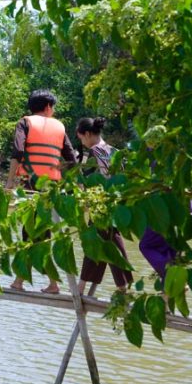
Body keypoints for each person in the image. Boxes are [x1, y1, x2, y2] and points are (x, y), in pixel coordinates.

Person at [4, 89, 78, 292]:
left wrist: (9, 182)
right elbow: (71, 158)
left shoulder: (25, 123)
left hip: (30, 185)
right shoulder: (60, 127)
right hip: (52, 187)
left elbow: (18, 151)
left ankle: (25, 281)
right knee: (41, 233)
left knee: (31, 232)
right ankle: (43, 282)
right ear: (48, 107)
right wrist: (76, 185)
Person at [74, 116, 133, 293]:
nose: (82, 143)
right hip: (116, 203)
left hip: (100, 204)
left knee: (102, 242)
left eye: (81, 138)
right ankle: (85, 286)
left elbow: (85, 180)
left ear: (87, 134)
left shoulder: (92, 152)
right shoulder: (114, 151)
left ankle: (122, 287)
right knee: (101, 242)